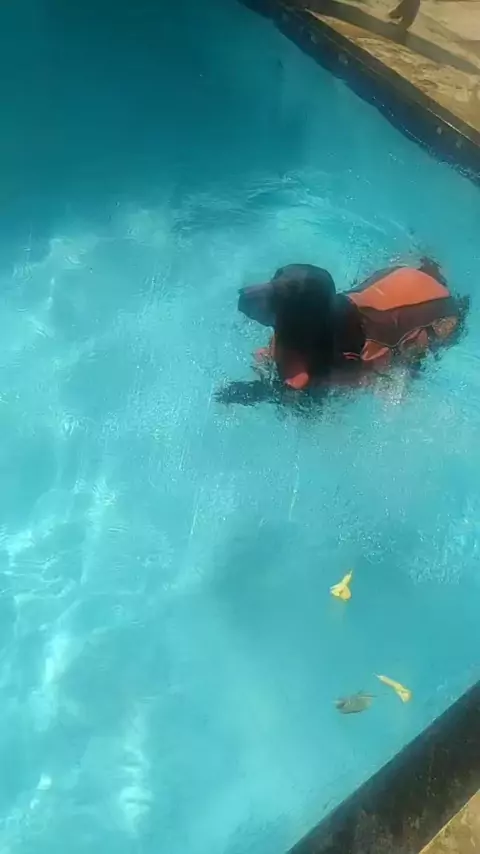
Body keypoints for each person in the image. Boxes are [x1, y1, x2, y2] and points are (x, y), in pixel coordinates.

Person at [216, 258, 469, 406]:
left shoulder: (364, 353)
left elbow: (371, 383)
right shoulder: (314, 314)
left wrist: (266, 391)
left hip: (441, 311)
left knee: (409, 359)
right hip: (402, 277)